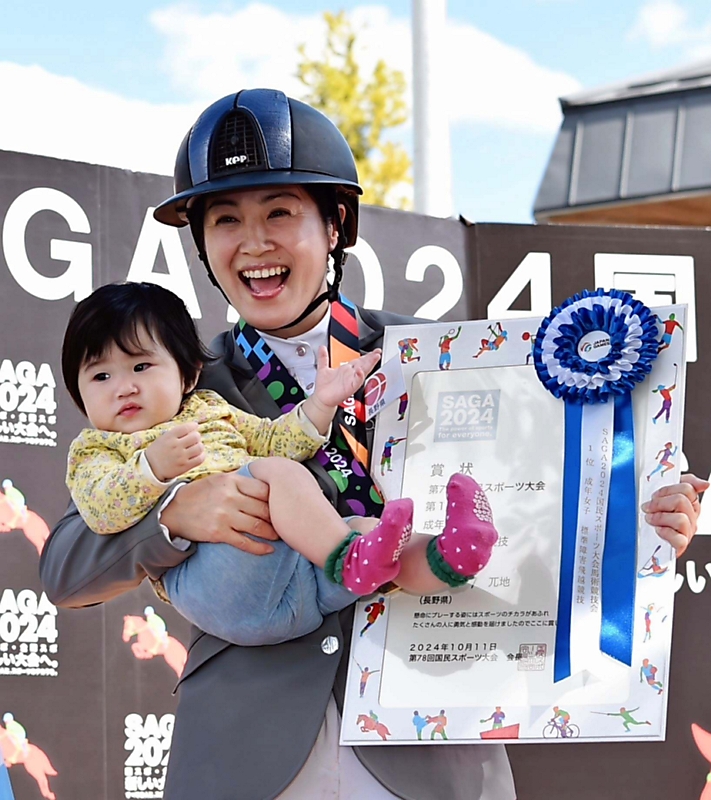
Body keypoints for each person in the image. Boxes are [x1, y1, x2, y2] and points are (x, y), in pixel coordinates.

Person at [39, 88, 707, 800]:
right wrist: (172, 516)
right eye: (226, 219)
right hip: (245, 753)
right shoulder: (176, 392)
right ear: (203, 247)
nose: (254, 243)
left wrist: (649, 512)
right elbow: (64, 569)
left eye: (280, 214)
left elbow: (547, 498)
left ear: (334, 226)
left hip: (432, 738)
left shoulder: (447, 358)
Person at [61, 282, 497, 646]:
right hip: (214, 579)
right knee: (279, 476)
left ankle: (448, 557)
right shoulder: (97, 449)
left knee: (369, 531)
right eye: (101, 376)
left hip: (298, 577)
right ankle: (349, 557)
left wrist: (322, 404)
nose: (124, 388)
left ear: (188, 376)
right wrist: (155, 475)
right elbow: (100, 510)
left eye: (141, 366)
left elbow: (276, 441)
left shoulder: (211, 408)